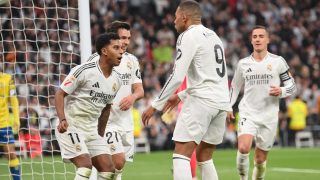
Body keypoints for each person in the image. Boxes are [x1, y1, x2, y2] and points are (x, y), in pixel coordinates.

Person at [142, 1, 231, 179]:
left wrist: (155, 105)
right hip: (221, 102)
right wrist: (181, 95)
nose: (174, 21)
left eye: (175, 17)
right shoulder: (214, 36)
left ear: (184, 17)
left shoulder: (188, 36)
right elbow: (213, 77)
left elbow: (176, 76)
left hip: (202, 101)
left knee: (181, 154)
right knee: (205, 157)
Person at [227, 26, 296, 180]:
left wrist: (282, 91)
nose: (258, 39)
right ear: (251, 40)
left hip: (269, 116)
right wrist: (228, 106)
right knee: (243, 148)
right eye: (255, 36)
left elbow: (292, 86)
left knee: (260, 159)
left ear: (268, 40)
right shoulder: (243, 64)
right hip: (248, 112)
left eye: (261, 36)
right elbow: (235, 86)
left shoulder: (278, 62)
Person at [55, 33, 123, 180]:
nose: (121, 51)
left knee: (108, 170)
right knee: (85, 167)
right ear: (104, 51)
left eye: (121, 48)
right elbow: (60, 94)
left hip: (92, 129)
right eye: (116, 47)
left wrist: (100, 135)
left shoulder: (116, 80)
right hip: (71, 125)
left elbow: (106, 109)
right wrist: (62, 119)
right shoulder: (84, 70)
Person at [87, 21, 144, 180]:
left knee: (116, 168)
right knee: (117, 162)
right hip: (106, 122)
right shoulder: (94, 60)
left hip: (125, 122)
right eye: (122, 37)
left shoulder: (131, 60)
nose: (126, 42)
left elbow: (140, 90)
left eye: (128, 38)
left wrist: (132, 97)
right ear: (112, 38)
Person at [0, 69, 21, 180]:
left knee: (11, 154)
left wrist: (17, 119)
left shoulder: (8, 78)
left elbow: (13, 100)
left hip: (4, 123)